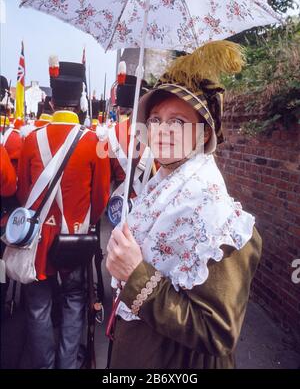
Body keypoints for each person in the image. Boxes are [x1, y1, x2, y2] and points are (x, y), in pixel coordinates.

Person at [106, 40, 262, 369]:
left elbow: (217, 332)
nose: (161, 131)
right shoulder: (159, 189)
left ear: (204, 134)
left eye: (177, 122)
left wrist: (135, 274)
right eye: (157, 119)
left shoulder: (214, 214)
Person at [17, 59, 110, 369]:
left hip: (40, 243)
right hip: (75, 241)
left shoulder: (31, 139)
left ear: (52, 101)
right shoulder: (95, 142)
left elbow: (24, 196)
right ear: (80, 103)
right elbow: (101, 199)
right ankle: (67, 364)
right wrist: (83, 222)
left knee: (38, 307)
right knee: (74, 303)